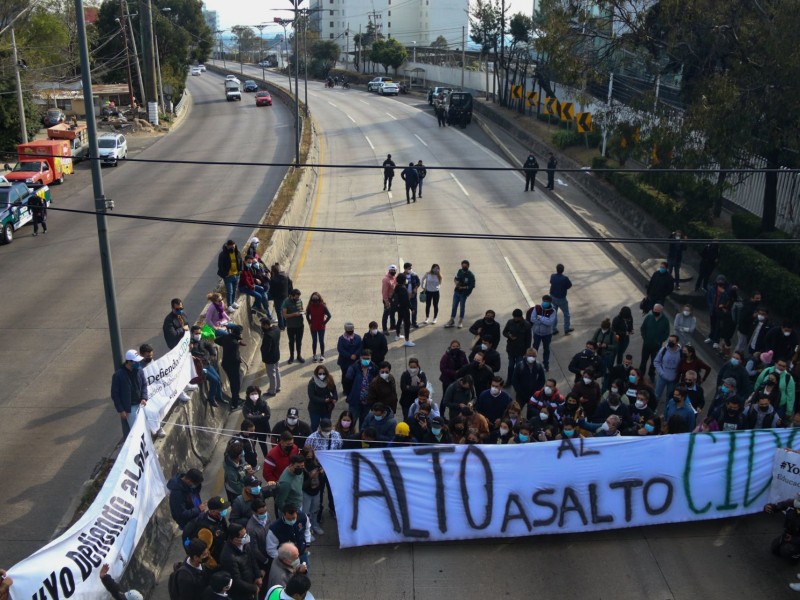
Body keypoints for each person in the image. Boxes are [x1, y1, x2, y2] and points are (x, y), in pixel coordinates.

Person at [183, 496, 230, 571]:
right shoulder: (205, 529)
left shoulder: (219, 518)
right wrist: (215, 566)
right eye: (221, 509)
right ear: (213, 511)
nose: (224, 510)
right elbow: (205, 552)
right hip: (216, 557)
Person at [219, 523, 263, 600]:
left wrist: (258, 576)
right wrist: (253, 588)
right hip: (241, 593)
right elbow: (236, 581)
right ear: (234, 539)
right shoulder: (228, 556)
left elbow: (253, 560)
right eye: (243, 536)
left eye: (246, 534)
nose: (246, 537)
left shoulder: (245, 544)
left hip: (251, 583)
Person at [111, 349, 148, 438]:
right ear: (129, 361)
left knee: (145, 428)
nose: (138, 363)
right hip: (130, 409)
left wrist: (144, 397)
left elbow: (144, 385)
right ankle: (140, 451)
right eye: (136, 361)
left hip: (140, 404)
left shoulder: (139, 370)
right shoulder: (119, 375)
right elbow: (115, 394)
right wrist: (121, 410)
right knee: (136, 433)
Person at [345, 349, 379, 427]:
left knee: (364, 423)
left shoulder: (374, 368)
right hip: (355, 401)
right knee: (352, 421)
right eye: (364, 358)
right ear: (360, 358)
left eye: (368, 359)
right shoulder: (354, 368)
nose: (366, 360)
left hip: (367, 402)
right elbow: (347, 382)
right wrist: (349, 395)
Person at [764, 494, 800, 564]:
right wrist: (770, 507)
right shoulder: (791, 503)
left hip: (797, 537)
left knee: (787, 550)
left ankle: (796, 557)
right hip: (789, 533)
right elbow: (778, 506)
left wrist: (793, 539)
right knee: (775, 550)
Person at [217, 324, 245, 409]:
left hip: (226, 364)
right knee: (235, 383)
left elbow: (217, 341)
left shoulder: (226, 338)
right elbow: (236, 357)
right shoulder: (234, 343)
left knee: (234, 381)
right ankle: (235, 403)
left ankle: (236, 398)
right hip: (232, 365)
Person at [639, 304, 670, 380]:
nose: (655, 312)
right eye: (654, 310)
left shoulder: (665, 321)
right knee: (643, 361)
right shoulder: (649, 317)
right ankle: (640, 374)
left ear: (661, 311)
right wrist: (645, 338)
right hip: (646, 345)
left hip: (656, 346)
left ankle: (651, 374)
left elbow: (666, 333)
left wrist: (660, 341)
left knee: (654, 362)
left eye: (657, 311)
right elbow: (643, 328)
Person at [528, 295, 557, 372]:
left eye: (547, 301)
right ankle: (532, 363)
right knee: (535, 349)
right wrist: (544, 320)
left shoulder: (552, 311)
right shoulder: (537, 308)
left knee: (546, 349)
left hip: (547, 334)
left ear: (550, 302)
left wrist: (540, 317)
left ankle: (546, 364)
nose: (545, 303)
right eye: (544, 301)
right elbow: (532, 319)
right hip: (537, 333)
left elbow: (550, 322)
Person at [300, 446, 325, 534]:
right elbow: (301, 486)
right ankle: (307, 529)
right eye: (308, 456)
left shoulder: (317, 464)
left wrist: (321, 474)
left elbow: (322, 481)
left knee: (315, 510)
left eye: (311, 456)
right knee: (306, 513)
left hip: (316, 491)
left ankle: (315, 525)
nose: (310, 458)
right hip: (306, 493)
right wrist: (311, 478)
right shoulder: (301, 468)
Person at [444, 260, 476, 328]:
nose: (463, 267)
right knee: (454, 306)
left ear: (468, 266)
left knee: (462, 308)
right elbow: (455, 278)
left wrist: (463, 287)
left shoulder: (471, 275)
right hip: (456, 292)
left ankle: (460, 321)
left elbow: (472, 285)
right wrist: (456, 283)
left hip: (463, 294)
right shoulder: (459, 271)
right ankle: (452, 320)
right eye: (462, 265)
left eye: (465, 266)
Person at [503, 309, 532, 382]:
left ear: (520, 317)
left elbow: (529, 339)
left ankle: (518, 381)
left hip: (521, 350)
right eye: (514, 317)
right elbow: (505, 332)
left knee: (519, 367)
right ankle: (509, 380)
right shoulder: (510, 322)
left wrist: (527, 351)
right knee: (510, 366)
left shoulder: (526, 325)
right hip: (511, 348)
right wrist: (509, 336)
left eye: (517, 317)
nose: (515, 319)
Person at [653, 334, 682, 406]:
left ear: (677, 342)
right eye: (669, 340)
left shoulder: (681, 353)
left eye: (672, 341)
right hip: (662, 377)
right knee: (656, 395)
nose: (670, 342)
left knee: (670, 397)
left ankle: (667, 410)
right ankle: (654, 408)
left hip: (673, 379)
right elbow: (656, 361)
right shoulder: (663, 350)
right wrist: (661, 372)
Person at [242, 388, 272, 457]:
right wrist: (261, 416)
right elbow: (247, 417)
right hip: (251, 431)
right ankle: (253, 459)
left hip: (262, 428)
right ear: (248, 395)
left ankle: (266, 458)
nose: (254, 395)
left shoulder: (263, 403)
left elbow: (267, 415)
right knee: (252, 446)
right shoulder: (246, 406)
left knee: (263, 444)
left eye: (256, 393)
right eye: (252, 394)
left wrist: (253, 416)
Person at [336, 322, 363, 394]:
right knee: (345, 376)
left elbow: (360, 347)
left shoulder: (358, 337)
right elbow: (340, 349)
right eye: (349, 330)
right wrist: (349, 356)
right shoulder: (341, 339)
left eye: (351, 329)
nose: (350, 331)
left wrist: (355, 354)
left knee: (356, 376)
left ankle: (354, 389)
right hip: (345, 362)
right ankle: (346, 390)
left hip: (355, 361)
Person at [305, 292, 331, 362]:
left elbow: (329, 315)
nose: (315, 303)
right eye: (314, 302)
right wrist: (310, 322)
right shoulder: (310, 306)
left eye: (316, 301)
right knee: (314, 341)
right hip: (313, 326)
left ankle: (322, 355)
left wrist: (324, 323)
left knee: (321, 340)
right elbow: (307, 315)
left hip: (321, 327)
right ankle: (314, 355)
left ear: (319, 300)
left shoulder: (323, 306)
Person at [217, 240, 243, 310]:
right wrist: (225, 274)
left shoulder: (237, 252)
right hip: (228, 276)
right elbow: (220, 266)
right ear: (227, 246)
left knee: (235, 290)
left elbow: (240, 261)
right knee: (229, 291)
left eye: (234, 247)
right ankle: (229, 305)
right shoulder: (223, 254)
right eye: (231, 247)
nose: (233, 248)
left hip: (236, 275)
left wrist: (240, 270)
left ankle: (233, 302)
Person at [282, 289, 305, 364]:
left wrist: (302, 311)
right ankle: (291, 356)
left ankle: (299, 356)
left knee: (299, 342)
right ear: (291, 296)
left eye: (298, 297)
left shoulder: (299, 301)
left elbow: (301, 309)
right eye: (296, 297)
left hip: (300, 325)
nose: (297, 298)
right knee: (291, 342)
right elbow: (284, 315)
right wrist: (294, 314)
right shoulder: (286, 302)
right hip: (291, 326)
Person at [549, 264, 573, 335]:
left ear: (556, 269)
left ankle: (553, 329)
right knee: (566, 314)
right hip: (561, 298)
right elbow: (569, 285)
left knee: (554, 313)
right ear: (563, 270)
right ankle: (566, 328)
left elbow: (551, 282)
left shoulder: (553, 276)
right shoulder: (565, 278)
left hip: (553, 296)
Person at [260, 317, 282, 397]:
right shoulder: (276, 329)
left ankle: (272, 391)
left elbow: (266, 349)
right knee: (277, 371)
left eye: (262, 325)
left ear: (266, 325)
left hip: (270, 358)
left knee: (271, 374)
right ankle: (278, 387)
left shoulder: (268, 335)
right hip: (276, 354)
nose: (261, 327)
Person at [392, 273, 415, 346]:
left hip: (399, 308)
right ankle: (407, 340)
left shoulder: (397, 287)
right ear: (403, 280)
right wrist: (412, 308)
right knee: (407, 324)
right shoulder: (403, 288)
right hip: (405, 309)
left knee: (399, 321)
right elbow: (407, 301)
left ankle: (398, 335)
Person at [270, 264, 293, 330]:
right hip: (285, 296)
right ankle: (285, 323)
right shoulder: (285, 276)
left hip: (277, 298)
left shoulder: (273, 279)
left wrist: (273, 297)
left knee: (279, 311)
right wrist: (289, 293)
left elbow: (272, 290)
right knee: (284, 310)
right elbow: (290, 284)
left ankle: (281, 326)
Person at [401, 262, 421, 328]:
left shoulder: (414, 275)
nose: (411, 269)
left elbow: (418, 282)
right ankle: (407, 322)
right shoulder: (402, 276)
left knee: (414, 309)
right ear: (405, 269)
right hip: (405, 297)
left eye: (411, 268)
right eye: (409, 268)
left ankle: (414, 322)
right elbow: (399, 285)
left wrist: (415, 288)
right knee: (405, 311)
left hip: (413, 296)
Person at [381, 265, 398, 334]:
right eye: (392, 270)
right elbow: (384, 292)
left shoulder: (394, 277)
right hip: (388, 299)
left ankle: (393, 326)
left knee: (392, 313)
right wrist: (387, 302)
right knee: (386, 314)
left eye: (394, 270)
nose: (393, 271)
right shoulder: (386, 280)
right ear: (389, 270)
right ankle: (384, 329)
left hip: (393, 298)